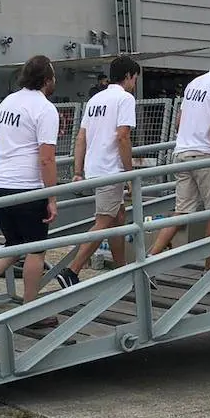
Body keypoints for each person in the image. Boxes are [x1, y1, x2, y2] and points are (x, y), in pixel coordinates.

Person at [0, 55, 61, 323]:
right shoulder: (45, 109)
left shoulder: (8, 102)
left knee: (14, 244)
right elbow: (47, 158)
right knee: (36, 249)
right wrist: (51, 197)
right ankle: (30, 311)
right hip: (25, 188)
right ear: (46, 79)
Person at [146, 39, 210, 286]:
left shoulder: (195, 83)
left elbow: (179, 122)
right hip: (205, 156)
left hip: (182, 153)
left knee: (181, 212)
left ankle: (149, 262)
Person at [64, 57, 140, 280]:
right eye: (134, 79)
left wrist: (78, 172)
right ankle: (72, 270)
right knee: (104, 221)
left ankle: (121, 269)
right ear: (127, 76)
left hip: (94, 166)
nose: (134, 84)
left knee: (118, 217)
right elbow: (123, 137)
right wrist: (129, 173)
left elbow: (81, 138)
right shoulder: (125, 99)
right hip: (111, 168)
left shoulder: (96, 100)